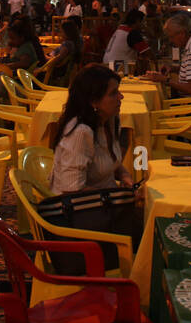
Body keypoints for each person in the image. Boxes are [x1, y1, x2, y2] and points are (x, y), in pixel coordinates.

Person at [48, 65, 141, 270]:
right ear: (94, 102)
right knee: (151, 229)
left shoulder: (109, 122)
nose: (121, 97)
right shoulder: (81, 132)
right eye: (113, 93)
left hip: (103, 211)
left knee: (150, 216)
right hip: (78, 226)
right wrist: (117, 196)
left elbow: (112, 162)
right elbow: (72, 190)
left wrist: (125, 177)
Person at [146, 14, 191, 97]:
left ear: (182, 34)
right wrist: (173, 69)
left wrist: (164, 79)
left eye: (171, 36)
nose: (171, 40)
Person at [46, 16, 84, 85]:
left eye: (61, 32)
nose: (60, 34)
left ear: (67, 33)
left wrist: (46, 58)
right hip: (57, 66)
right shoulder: (75, 42)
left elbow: (58, 59)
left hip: (55, 69)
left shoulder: (67, 45)